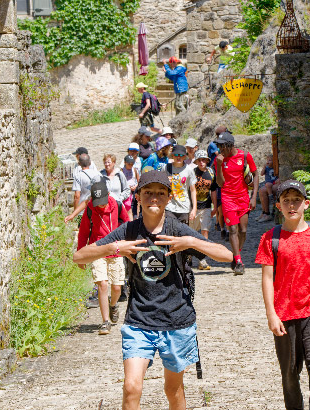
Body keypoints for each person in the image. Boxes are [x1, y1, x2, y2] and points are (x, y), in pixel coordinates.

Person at [73, 170, 232, 410]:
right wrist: (115, 247)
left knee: (173, 390)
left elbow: (226, 255)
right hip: (139, 320)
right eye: (148, 193)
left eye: (160, 193)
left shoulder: (177, 230)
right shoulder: (129, 231)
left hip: (176, 321)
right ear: (138, 197)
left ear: (169, 197)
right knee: (131, 387)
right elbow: (79, 256)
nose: (154, 198)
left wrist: (189, 243)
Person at [255, 179, 310, 410]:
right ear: (279, 206)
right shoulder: (270, 238)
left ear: (306, 204)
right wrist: (271, 314)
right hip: (284, 314)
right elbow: (267, 278)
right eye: (286, 201)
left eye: (296, 200)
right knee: (290, 374)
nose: (292, 205)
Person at [77, 180, 130, 335]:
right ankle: (105, 321)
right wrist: (82, 256)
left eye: (102, 201)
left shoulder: (117, 206)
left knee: (116, 287)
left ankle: (113, 304)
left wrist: (129, 245)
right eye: (97, 202)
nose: (100, 205)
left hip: (116, 251)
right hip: (97, 250)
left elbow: (127, 224)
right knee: (103, 284)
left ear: (108, 195)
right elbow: (83, 232)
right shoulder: (90, 209)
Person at [214, 131, 259, 275]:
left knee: (243, 230)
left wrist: (253, 197)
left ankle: (235, 254)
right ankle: (239, 261)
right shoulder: (218, 160)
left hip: (243, 198)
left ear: (230, 145)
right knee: (233, 229)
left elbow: (256, 174)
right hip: (228, 198)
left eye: (222, 147)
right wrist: (220, 166)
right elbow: (220, 184)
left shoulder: (245, 156)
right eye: (219, 146)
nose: (220, 150)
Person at [191, 150, 216, 270]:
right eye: (199, 160)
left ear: (207, 160)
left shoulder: (211, 173)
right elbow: (190, 191)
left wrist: (215, 206)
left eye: (204, 160)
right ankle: (189, 256)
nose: (202, 162)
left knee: (204, 232)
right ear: (196, 162)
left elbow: (214, 190)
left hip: (206, 206)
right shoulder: (192, 173)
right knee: (192, 233)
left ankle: (202, 259)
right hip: (193, 207)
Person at [164, 145, 197, 224]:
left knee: (182, 234)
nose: (179, 157)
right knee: (169, 232)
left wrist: (194, 208)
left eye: (181, 155)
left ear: (185, 156)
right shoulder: (166, 168)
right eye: (176, 155)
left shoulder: (189, 170)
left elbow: (192, 190)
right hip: (169, 207)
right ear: (172, 155)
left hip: (184, 207)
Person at [71, 153, 101, 220]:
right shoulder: (98, 174)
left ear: (79, 163)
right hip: (97, 208)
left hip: (83, 211)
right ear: (90, 163)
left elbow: (77, 196)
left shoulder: (78, 176)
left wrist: (75, 212)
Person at [257, 154, 280, 222]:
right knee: (261, 190)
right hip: (269, 183)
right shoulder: (267, 168)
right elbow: (261, 173)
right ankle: (264, 212)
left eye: (270, 160)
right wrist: (264, 166)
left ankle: (267, 213)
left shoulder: (277, 167)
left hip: (274, 183)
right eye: (267, 160)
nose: (268, 162)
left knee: (263, 190)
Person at [121, 155, 140, 220]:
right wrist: (128, 187)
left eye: (132, 164)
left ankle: (134, 216)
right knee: (127, 204)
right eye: (129, 164)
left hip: (134, 189)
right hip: (126, 189)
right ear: (125, 163)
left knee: (134, 203)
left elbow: (138, 180)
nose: (130, 165)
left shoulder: (134, 170)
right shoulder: (122, 171)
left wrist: (136, 186)